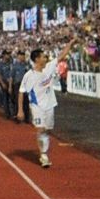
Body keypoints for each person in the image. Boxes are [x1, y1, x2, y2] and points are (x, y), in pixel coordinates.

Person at [19, 38, 75, 168]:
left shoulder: (49, 67)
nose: (46, 57)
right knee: (41, 128)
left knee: (47, 129)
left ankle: (44, 151)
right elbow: (22, 92)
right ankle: (44, 155)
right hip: (37, 106)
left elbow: (61, 55)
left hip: (50, 105)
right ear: (37, 59)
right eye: (44, 56)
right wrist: (20, 110)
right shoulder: (29, 75)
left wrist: (71, 43)